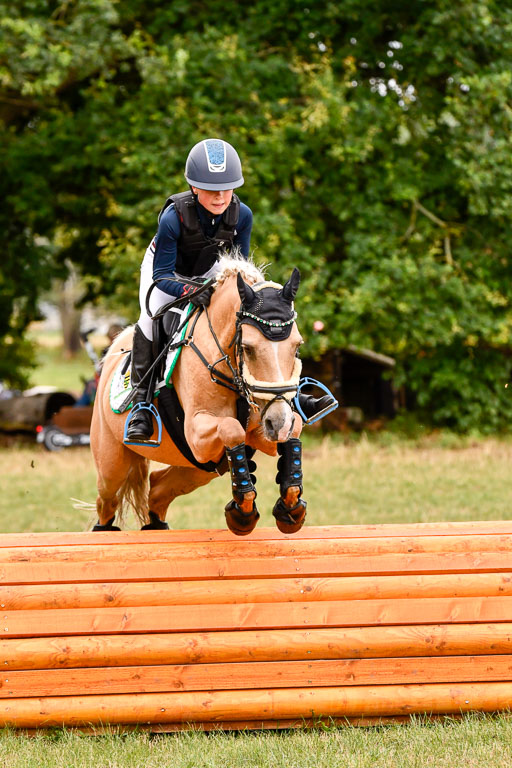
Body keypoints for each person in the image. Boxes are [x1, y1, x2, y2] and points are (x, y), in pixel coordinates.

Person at [126, 138, 333, 443]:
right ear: (194, 188)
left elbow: (241, 270)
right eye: (211, 188)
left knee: (250, 321)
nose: (221, 195)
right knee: (150, 319)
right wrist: (189, 291)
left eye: (227, 186)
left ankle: (290, 397)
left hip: (213, 272)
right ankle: (141, 405)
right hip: (168, 273)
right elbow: (161, 276)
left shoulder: (243, 215)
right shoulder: (173, 218)